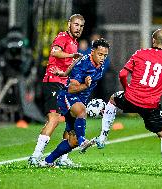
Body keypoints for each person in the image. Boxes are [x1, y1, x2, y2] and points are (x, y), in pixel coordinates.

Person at [86, 29, 162, 174]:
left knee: (113, 99)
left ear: (153, 40)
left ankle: (103, 137)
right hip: (151, 105)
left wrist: (127, 89)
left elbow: (122, 74)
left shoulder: (140, 53)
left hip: (131, 98)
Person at [38, 38, 110, 167]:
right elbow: (71, 89)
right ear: (92, 52)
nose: (103, 57)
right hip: (67, 97)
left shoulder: (100, 65)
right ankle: (82, 140)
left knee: (72, 141)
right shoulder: (84, 65)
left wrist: (64, 73)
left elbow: (71, 67)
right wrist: (85, 86)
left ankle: (47, 161)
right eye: (100, 54)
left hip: (78, 99)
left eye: (105, 55)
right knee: (81, 110)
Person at [28, 14, 85, 167]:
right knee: (54, 119)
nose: (78, 28)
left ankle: (63, 157)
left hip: (64, 85)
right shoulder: (62, 37)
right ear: (69, 24)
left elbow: (68, 65)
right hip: (53, 82)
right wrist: (72, 55)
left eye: (81, 26)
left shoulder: (74, 42)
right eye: (76, 24)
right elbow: (55, 52)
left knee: (71, 123)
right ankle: (35, 156)